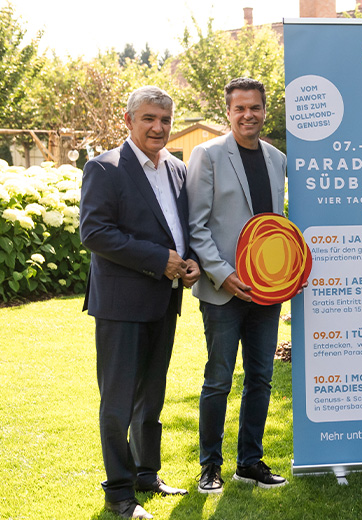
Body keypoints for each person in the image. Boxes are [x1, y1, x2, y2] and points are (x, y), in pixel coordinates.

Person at [80, 86, 200, 519]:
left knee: (152, 395)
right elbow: (94, 232)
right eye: (149, 118)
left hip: (164, 300)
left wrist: (190, 260)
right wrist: (159, 259)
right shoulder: (104, 167)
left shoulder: (177, 168)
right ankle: (118, 492)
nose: (158, 127)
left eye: (165, 120)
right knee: (118, 402)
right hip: (121, 303)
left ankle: (147, 474)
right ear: (128, 120)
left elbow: (178, 228)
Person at [186, 77, 288, 493]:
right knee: (219, 381)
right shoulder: (207, 155)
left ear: (265, 110)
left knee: (260, 378)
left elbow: (277, 226)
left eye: (255, 107)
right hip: (223, 290)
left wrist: (288, 274)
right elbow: (196, 226)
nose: (248, 115)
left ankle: (249, 462)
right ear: (228, 112)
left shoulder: (278, 159)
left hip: (267, 291)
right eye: (240, 108)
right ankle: (210, 465)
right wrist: (224, 274)